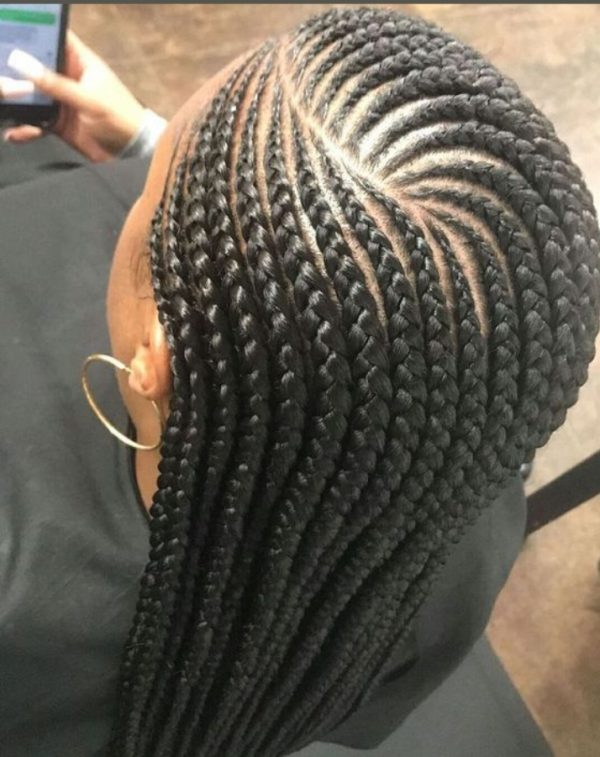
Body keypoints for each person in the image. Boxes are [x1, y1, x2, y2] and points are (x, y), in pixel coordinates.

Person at [0, 7, 597, 757]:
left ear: (158, 355)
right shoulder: (465, 543)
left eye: (150, 189)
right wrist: (144, 140)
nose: (133, 184)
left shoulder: (18, 594)